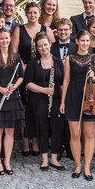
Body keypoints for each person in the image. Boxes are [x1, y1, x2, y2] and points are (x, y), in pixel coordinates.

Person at [61, 30, 95, 180]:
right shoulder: (69, 58)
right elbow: (66, 81)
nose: (85, 43)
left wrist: (94, 76)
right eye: (82, 40)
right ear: (76, 41)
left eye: (87, 41)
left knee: (89, 135)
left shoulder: (94, 57)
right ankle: (78, 165)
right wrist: (63, 101)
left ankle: (87, 167)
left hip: (90, 97)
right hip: (73, 96)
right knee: (75, 134)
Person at [0, 28, 24, 176]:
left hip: (12, 97)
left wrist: (14, 86)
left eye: (7, 38)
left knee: (9, 130)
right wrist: (0, 89)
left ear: (10, 39)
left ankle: (7, 160)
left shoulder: (16, 56)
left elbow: (21, 75)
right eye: (1, 38)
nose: (4, 41)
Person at [25, 37, 66, 171]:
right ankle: (44, 159)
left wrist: (63, 101)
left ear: (50, 45)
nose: (43, 48)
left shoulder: (58, 62)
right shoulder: (33, 63)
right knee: (42, 129)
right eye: (40, 46)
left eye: (45, 45)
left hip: (56, 100)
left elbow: (63, 82)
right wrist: (44, 90)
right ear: (37, 48)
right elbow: (28, 83)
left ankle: (54, 158)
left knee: (57, 129)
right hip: (39, 100)